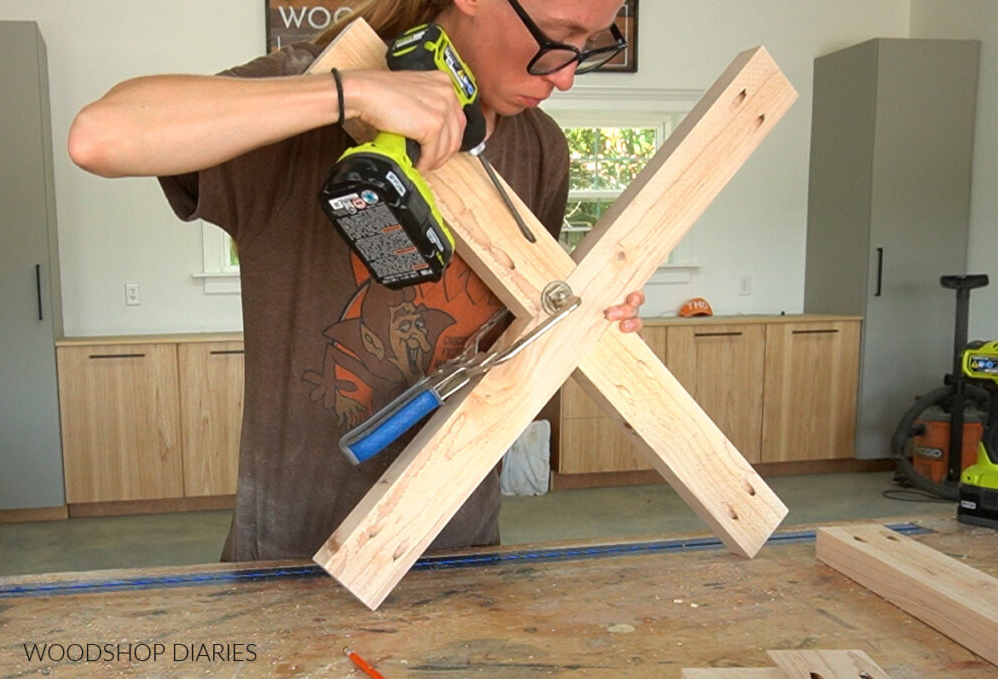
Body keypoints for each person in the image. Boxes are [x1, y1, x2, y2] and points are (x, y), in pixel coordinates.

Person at [68, 0, 644, 561]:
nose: (566, 76)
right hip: (293, 550)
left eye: (590, 45)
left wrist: (587, 322)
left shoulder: (541, 149)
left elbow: (518, 338)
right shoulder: (313, 89)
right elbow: (100, 136)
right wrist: (352, 92)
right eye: (555, 35)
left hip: (459, 541)